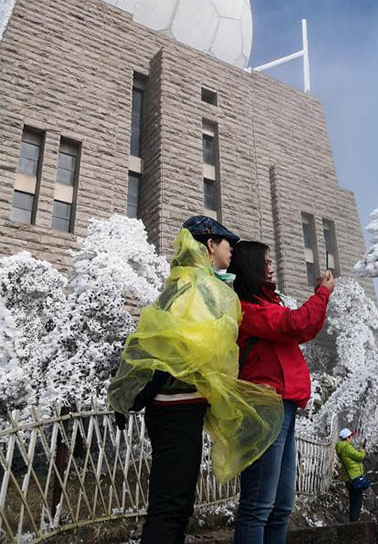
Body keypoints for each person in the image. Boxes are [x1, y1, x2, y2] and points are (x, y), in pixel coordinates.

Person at [108, 216, 283, 544]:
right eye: (227, 243)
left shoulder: (195, 281)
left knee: (176, 505)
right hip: (174, 406)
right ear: (210, 244)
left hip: (181, 405)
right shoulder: (195, 285)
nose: (232, 250)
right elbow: (177, 344)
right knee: (171, 507)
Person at [229, 240, 335, 543]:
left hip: (284, 405)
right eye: (266, 262)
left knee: (281, 506)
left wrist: (320, 297)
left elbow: (303, 327)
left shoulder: (268, 304)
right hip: (265, 406)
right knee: (258, 505)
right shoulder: (248, 309)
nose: (272, 267)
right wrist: (323, 293)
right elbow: (295, 324)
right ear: (251, 268)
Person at [335, 428, 367, 522]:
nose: (352, 438)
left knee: (353, 499)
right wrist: (362, 450)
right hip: (354, 476)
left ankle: (353, 521)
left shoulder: (342, 447)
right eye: (351, 436)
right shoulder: (347, 447)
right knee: (357, 501)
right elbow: (360, 457)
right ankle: (354, 522)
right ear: (347, 438)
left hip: (350, 478)